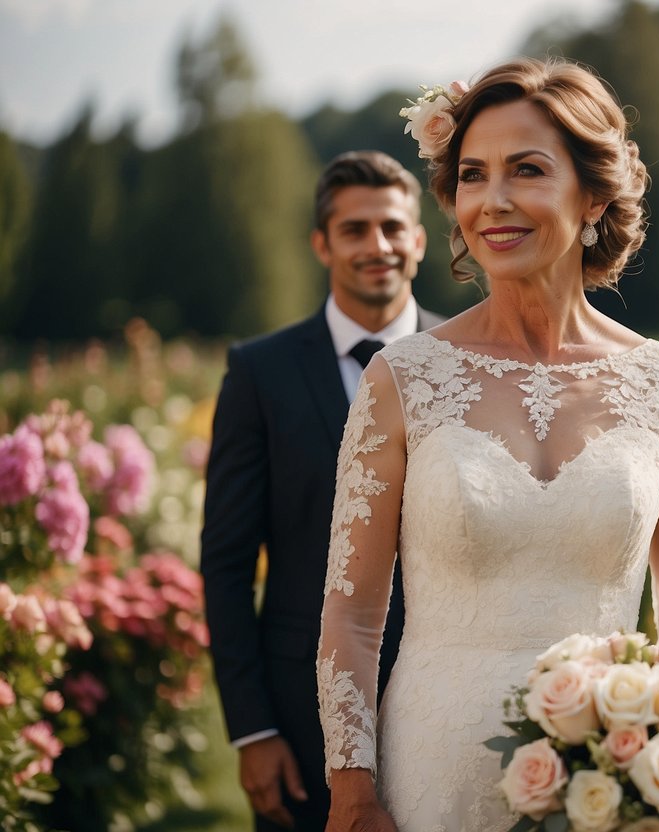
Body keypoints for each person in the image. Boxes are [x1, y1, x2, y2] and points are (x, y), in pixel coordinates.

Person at [317, 58, 659, 831]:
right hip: (430, 775)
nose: (492, 201)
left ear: (594, 196)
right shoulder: (401, 379)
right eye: (472, 175)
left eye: (527, 170)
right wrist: (351, 788)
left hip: (607, 783)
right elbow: (354, 614)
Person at [201, 151, 445, 831]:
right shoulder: (259, 372)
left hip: (446, 700)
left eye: (394, 228)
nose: (378, 247)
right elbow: (225, 562)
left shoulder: (467, 365)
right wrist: (252, 731)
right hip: (299, 712)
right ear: (321, 243)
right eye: (355, 229)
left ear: (419, 241)